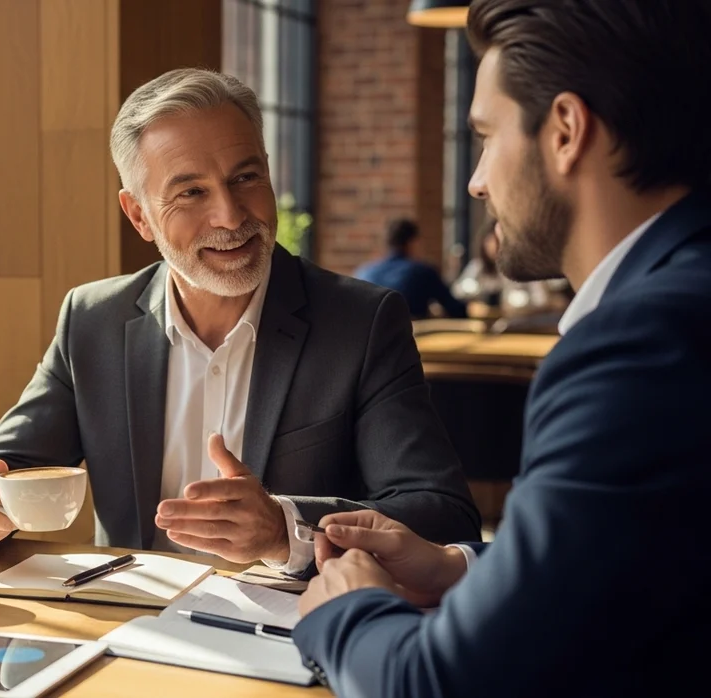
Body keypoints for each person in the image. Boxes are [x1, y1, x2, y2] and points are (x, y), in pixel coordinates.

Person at [288, 2, 711, 695]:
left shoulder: (640, 347)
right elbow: (643, 559)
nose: (475, 180)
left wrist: (345, 609)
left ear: (566, 132)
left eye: (485, 136)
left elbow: (446, 682)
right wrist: (459, 567)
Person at [0, 68, 479, 575]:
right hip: (131, 637)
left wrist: (285, 528)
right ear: (139, 215)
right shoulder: (92, 319)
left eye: (245, 178)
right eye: (191, 192)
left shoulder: (361, 321)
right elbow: (0, 468)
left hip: (291, 637)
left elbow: (442, 516)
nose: (231, 216)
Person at [354, 218, 467, 319]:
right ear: (413, 242)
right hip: (410, 337)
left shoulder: (364, 272)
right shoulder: (423, 271)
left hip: (366, 338)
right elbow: (455, 309)